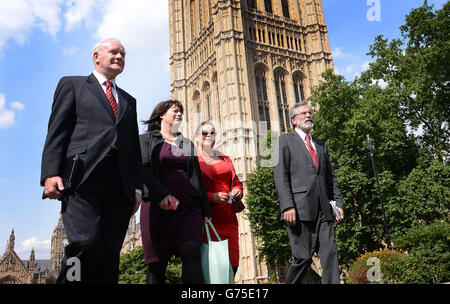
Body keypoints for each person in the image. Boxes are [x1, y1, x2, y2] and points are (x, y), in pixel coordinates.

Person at [40, 38, 142, 284]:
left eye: (123, 54)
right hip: (82, 178)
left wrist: (138, 188)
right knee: (83, 243)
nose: (119, 56)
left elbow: (134, 150)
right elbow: (57, 131)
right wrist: (50, 173)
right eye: (113, 52)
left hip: (119, 184)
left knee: (110, 254)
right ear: (96, 56)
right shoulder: (73, 85)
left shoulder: (129, 100)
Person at [139, 100, 212, 284]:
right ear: (162, 114)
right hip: (158, 206)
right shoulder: (146, 140)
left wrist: (205, 210)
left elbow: (197, 177)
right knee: (157, 264)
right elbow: (143, 169)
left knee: (192, 253)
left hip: (189, 207)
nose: (179, 114)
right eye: (175, 111)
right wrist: (161, 194)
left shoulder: (186, 143)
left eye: (181, 111)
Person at [273, 101, 344, 284]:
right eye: (304, 113)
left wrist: (338, 202)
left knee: (330, 254)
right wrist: (287, 205)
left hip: (324, 210)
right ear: (293, 120)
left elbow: (330, 177)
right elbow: (280, 176)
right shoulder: (283, 141)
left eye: (310, 113)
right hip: (299, 210)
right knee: (302, 257)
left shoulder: (320, 145)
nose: (308, 115)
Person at [194, 121, 243, 277]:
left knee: (232, 265)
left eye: (212, 133)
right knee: (214, 268)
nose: (209, 135)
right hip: (207, 220)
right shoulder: (193, 159)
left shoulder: (225, 158)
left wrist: (237, 190)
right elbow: (189, 188)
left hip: (228, 218)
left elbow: (236, 182)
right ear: (197, 137)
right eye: (204, 133)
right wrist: (212, 197)